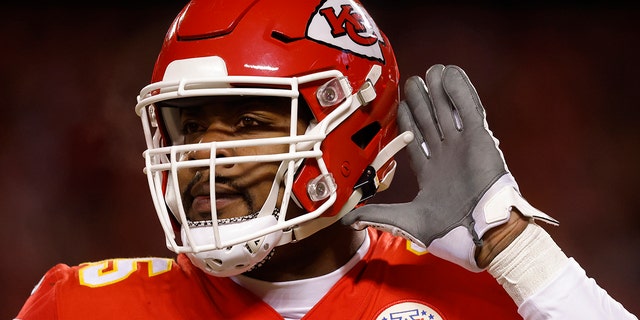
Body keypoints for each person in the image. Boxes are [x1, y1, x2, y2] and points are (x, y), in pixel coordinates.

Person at [15, 0, 637, 319]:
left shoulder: (480, 299)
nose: (209, 154)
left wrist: (518, 251)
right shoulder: (84, 306)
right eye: (191, 125)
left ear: (352, 131)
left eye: (252, 122)